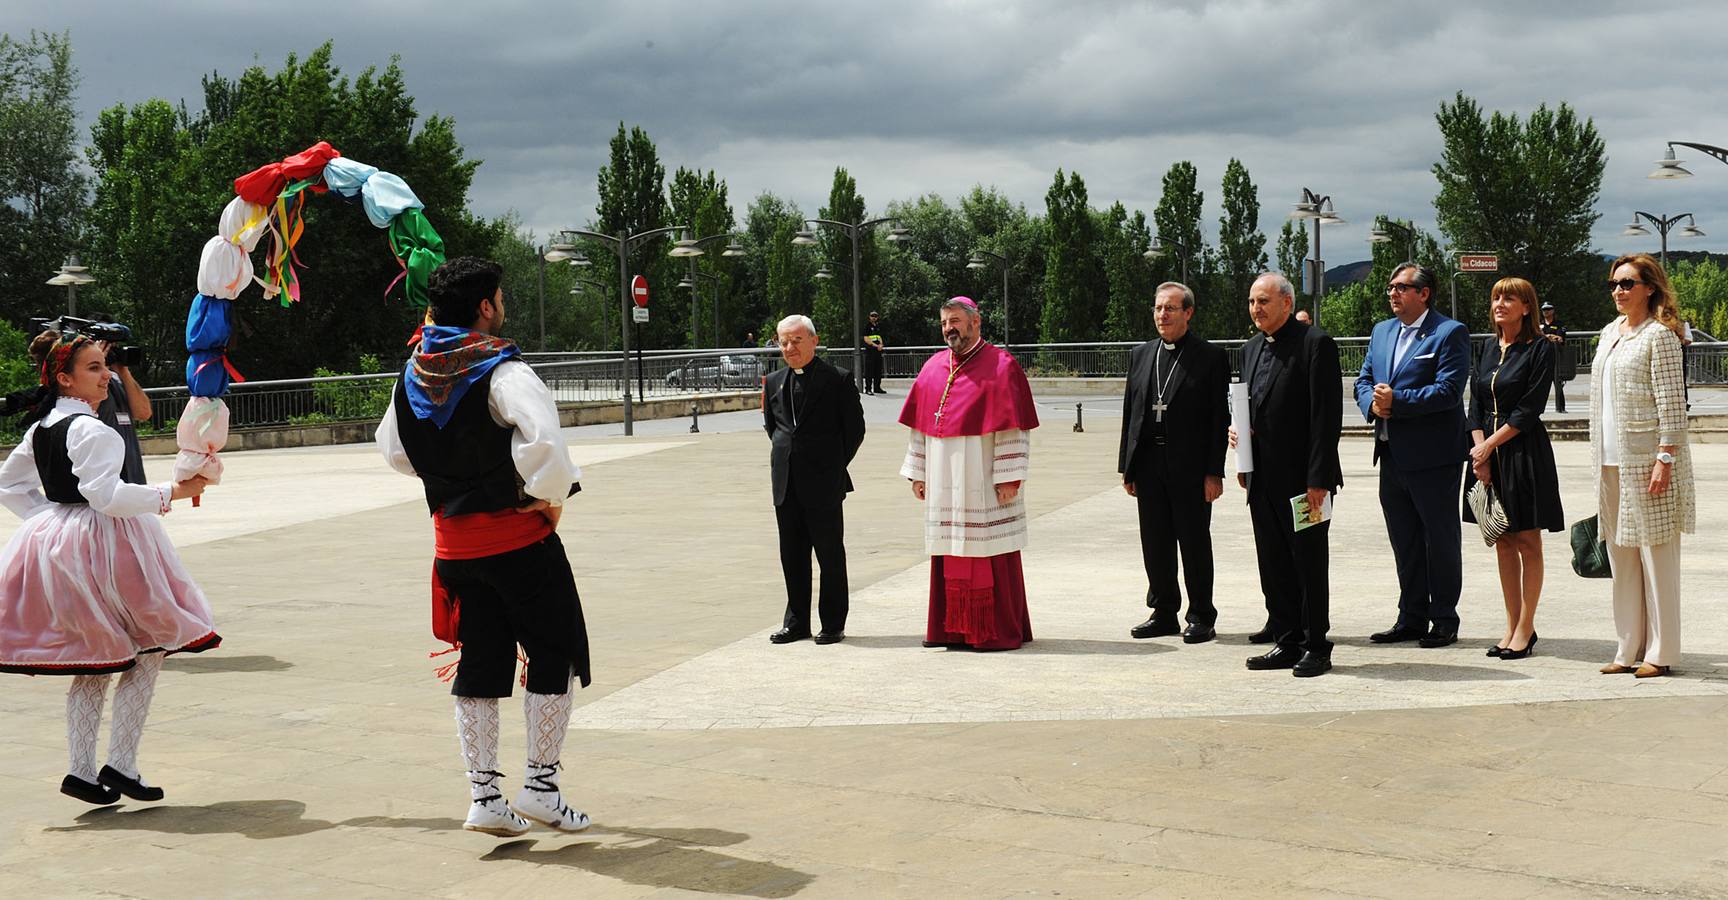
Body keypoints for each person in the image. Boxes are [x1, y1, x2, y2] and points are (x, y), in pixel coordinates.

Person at [377, 256, 593, 836]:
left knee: (481, 661)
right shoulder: (502, 371)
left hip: (455, 549)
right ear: (484, 307)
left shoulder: (413, 374)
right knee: (553, 651)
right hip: (518, 541)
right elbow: (545, 446)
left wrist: (450, 482)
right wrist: (544, 497)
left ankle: (485, 797)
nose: (503, 306)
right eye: (499, 297)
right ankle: (542, 789)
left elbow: (394, 451)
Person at [0, 331, 216, 806]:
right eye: (95, 367)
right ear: (65, 378)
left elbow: (9, 483)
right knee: (152, 644)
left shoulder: (41, 428)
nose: (106, 375)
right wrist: (174, 492)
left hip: (64, 545)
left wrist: (50, 521)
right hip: (110, 544)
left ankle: (82, 770)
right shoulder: (92, 429)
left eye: (105, 364)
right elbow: (109, 497)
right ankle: (121, 764)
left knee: (97, 654)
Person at [899, 296, 1040, 651]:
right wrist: (919, 472)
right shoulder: (932, 367)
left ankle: (990, 631)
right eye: (945, 322)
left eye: (956, 321)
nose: (950, 328)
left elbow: (1013, 428)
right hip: (944, 484)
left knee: (988, 551)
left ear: (976, 323)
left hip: (983, 480)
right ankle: (950, 629)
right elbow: (920, 429)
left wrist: (1009, 475)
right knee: (949, 551)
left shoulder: (1001, 366)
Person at [1355, 262, 1470, 649]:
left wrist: (1397, 402)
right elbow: (1363, 379)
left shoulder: (1449, 333)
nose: (1393, 293)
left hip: (1434, 458)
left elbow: (1449, 391)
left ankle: (1444, 618)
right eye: (1391, 287)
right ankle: (1411, 616)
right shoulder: (1382, 331)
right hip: (1391, 455)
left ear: (1424, 294)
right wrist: (1372, 403)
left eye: (1402, 287)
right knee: (1404, 540)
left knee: (1439, 540)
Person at [1233, 274, 1342, 677]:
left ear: (1286, 302)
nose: (1255, 309)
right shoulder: (1251, 349)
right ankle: (1286, 639)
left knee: (1308, 563)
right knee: (1274, 562)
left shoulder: (1315, 344)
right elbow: (1253, 406)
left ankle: (1316, 644)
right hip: (1262, 479)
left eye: (1263, 301)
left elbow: (1324, 418)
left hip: (1305, 482)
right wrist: (1241, 437)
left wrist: (1319, 479)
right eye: (1251, 301)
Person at [1592, 254, 1694, 679]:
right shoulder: (1608, 334)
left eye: (1628, 283)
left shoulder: (1660, 336)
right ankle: (1627, 646)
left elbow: (1673, 404)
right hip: (1610, 461)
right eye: (1614, 283)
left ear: (1649, 287)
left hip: (1648, 460)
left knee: (1657, 556)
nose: (1618, 290)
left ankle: (1661, 650)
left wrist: (1665, 457)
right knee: (1621, 558)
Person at [1118, 282, 1229, 644]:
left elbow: (1217, 420)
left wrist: (1214, 471)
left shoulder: (1209, 358)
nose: (1162, 315)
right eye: (1158, 308)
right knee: (1155, 540)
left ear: (1188, 313)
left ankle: (1201, 615)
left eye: (1170, 309)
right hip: (1149, 463)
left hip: (1191, 467)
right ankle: (1163, 611)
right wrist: (1128, 467)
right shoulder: (1140, 354)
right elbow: (1131, 413)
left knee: (1194, 542)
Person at [1463, 278, 1564, 660]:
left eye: (1509, 298)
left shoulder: (1540, 348)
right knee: (1502, 541)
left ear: (1527, 307)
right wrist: (1479, 452)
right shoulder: (1487, 346)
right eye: (1496, 298)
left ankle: (1527, 626)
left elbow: (1529, 409)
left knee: (1527, 541)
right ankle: (1510, 624)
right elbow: (1473, 406)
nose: (1500, 304)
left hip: (1522, 452)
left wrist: (1490, 445)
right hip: (1484, 453)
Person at [763, 314, 866, 645]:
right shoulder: (774, 381)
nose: (789, 347)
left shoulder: (837, 379)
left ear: (814, 341)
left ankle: (833, 623)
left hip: (824, 483)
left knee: (829, 554)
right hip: (786, 483)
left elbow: (854, 431)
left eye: (796, 340)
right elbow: (774, 428)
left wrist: (831, 466)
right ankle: (796, 623)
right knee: (791, 555)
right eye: (784, 342)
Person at [1539, 302, 1571, 413]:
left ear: (1553, 310)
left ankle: (1561, 407)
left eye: (1548, 309)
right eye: (1544, 310)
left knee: (1557, 383)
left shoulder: (1559, 324)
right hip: (1542, 358)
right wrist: (1548, 337)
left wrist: (1547, 336)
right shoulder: (1539, 324)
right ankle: (1537, 409)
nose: (1546, 311)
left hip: (1556, 357)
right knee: (1539, 385)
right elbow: (1537, 338)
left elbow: (1559, 338)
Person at [863, 311, 887, 395]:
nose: (874, 317)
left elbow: (879, 337)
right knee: (869, 371)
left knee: (878, 370)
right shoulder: (867, 326)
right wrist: (876, 346)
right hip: (870, 351)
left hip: (877, 352)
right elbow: (866, 338)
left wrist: (881, 344)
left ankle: (877, 387)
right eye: (872, 316)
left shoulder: (878, 326)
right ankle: (868, 389)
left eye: (876, 316)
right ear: (869, 317)